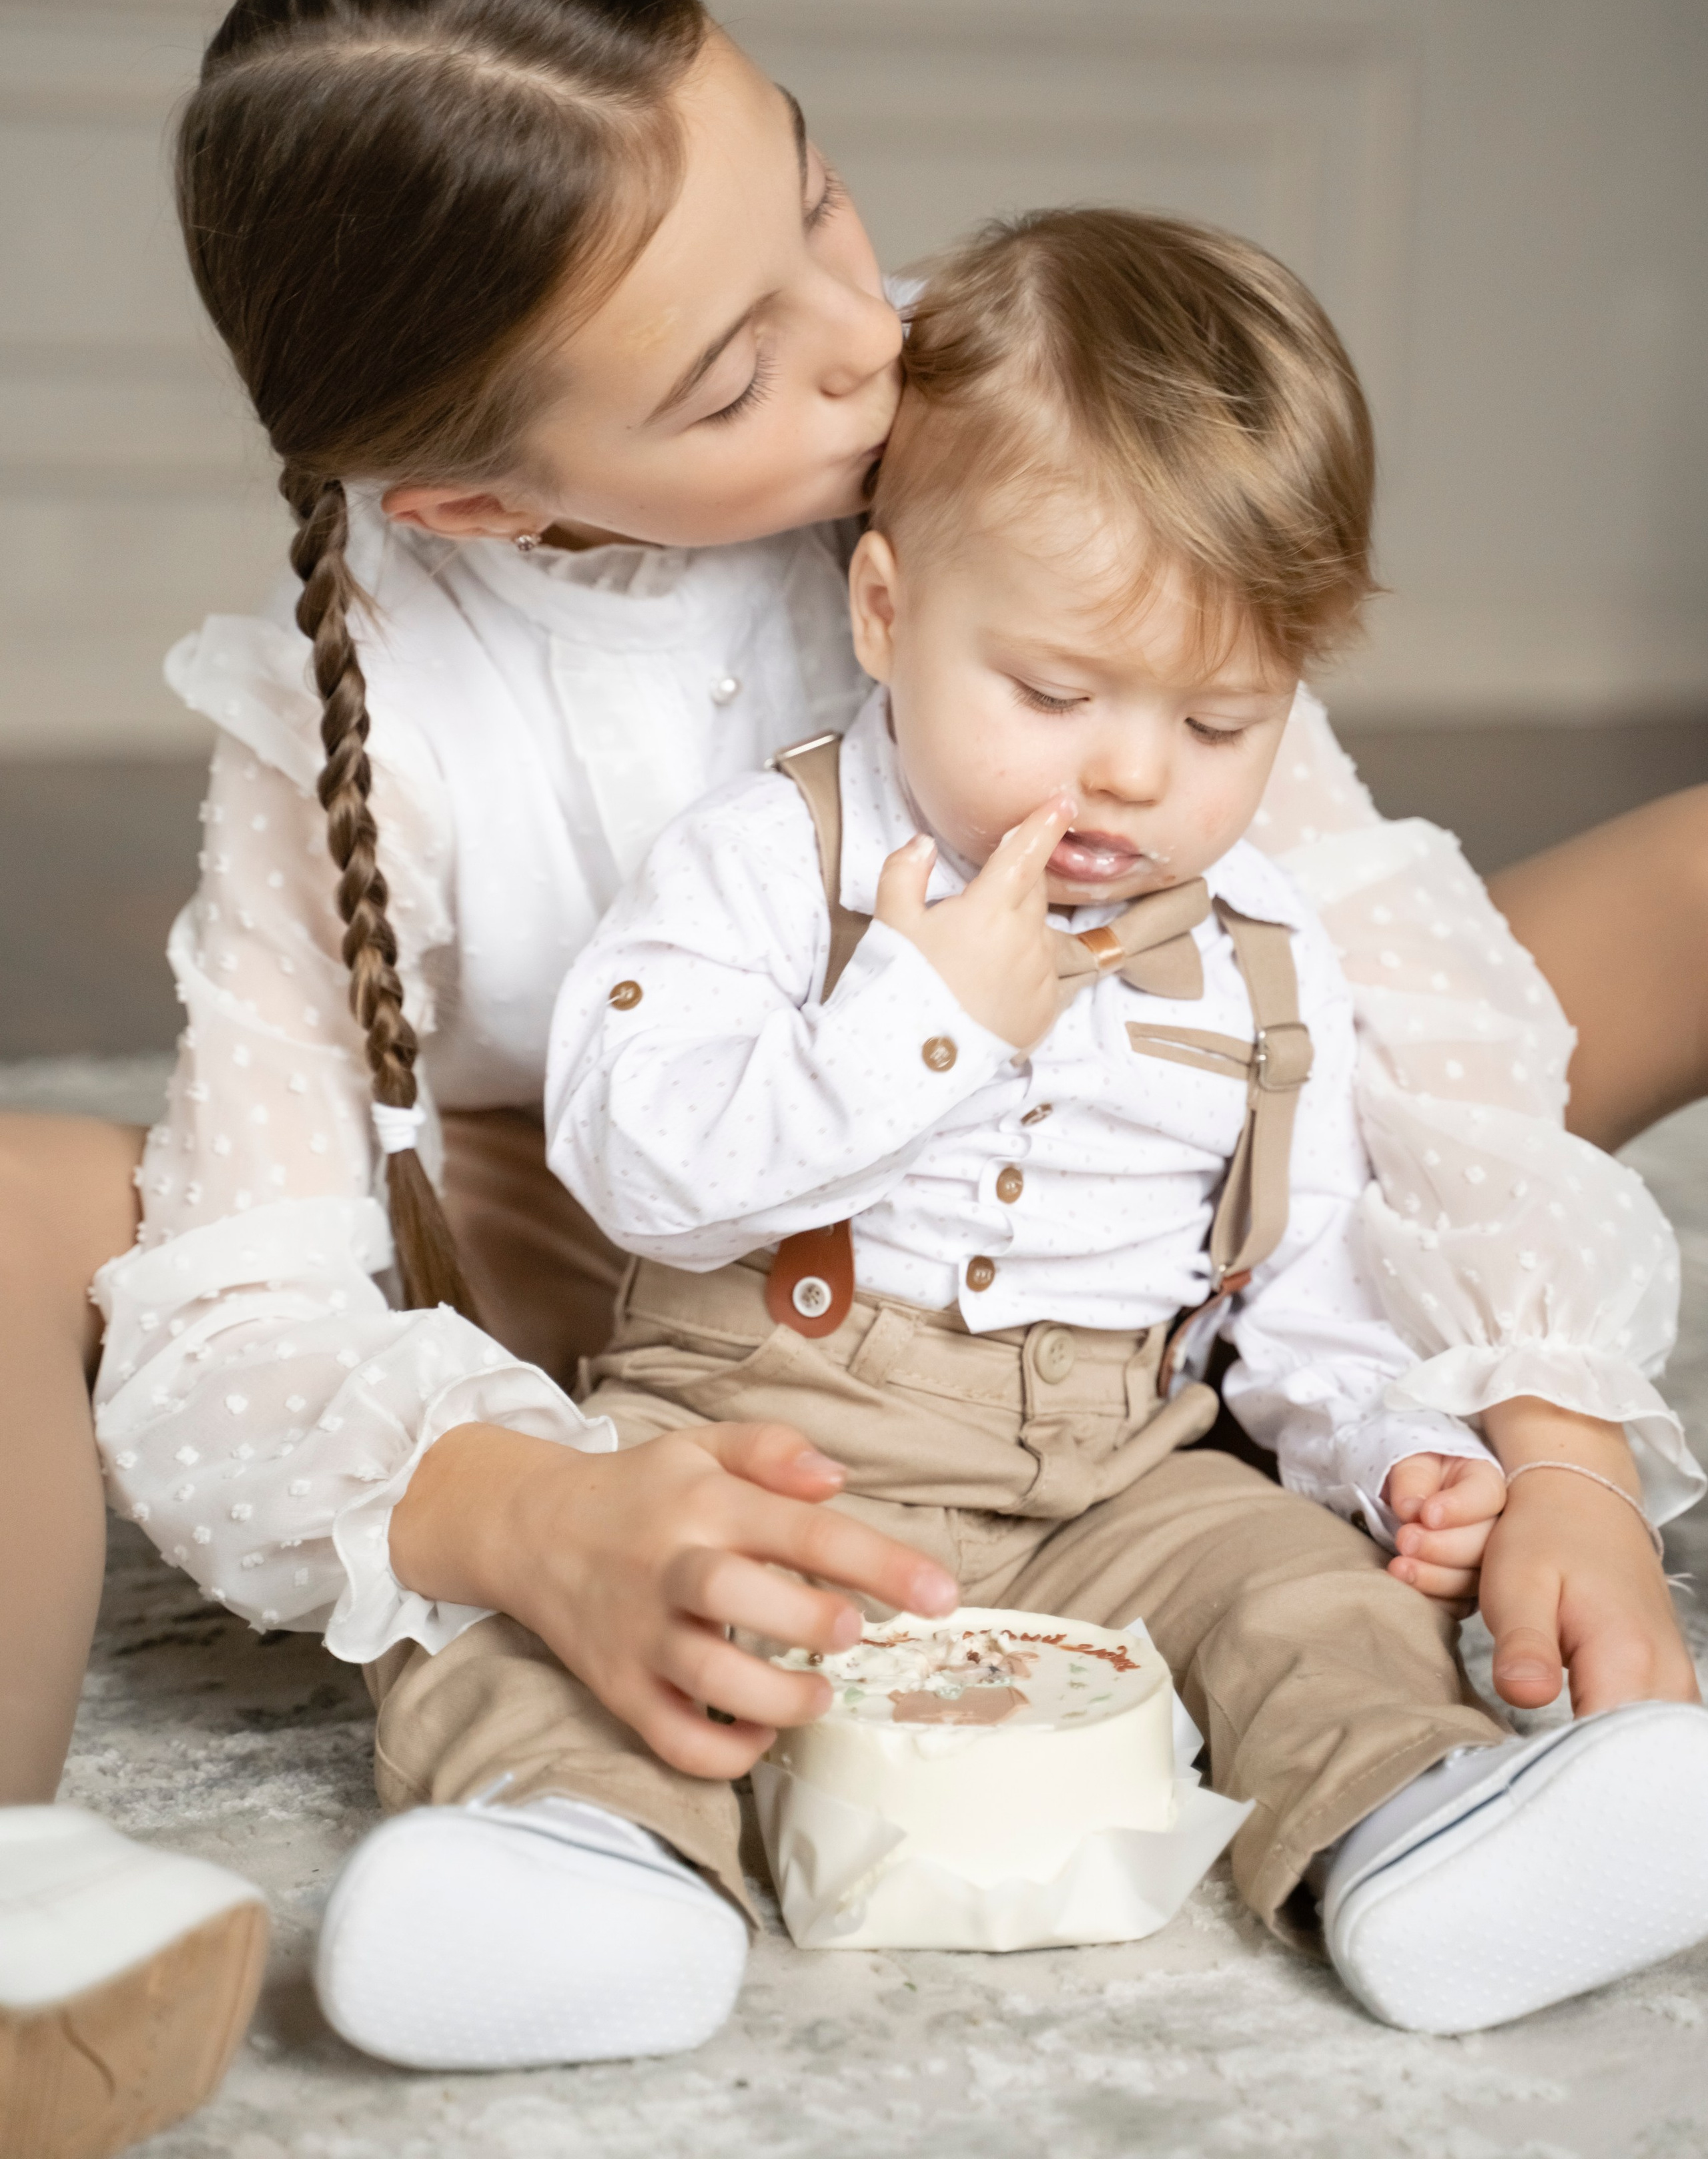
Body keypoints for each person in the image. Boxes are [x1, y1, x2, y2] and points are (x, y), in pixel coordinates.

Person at [0, 0, 1699, 2126]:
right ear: (474, 496)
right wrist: (534, 1514)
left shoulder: (985, 407)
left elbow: (1369, 937)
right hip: (637, 1290)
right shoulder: (374, 713)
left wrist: (1551, 1450)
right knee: (29, 1200)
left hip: (1138, 1153)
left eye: (814, 193)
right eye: (733, 374)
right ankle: (43, 1905)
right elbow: (246, 1299)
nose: (859, 341)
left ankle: (1447, 1811)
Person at [461, 205, 1696, 2052]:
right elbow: (641, 1158)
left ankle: (1411, 1828)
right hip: (767, 1439)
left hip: (1115, 1464)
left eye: (1220, 718)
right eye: (1052, 694)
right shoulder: (765, 862)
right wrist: (933, 1022)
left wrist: (1396, 1450)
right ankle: (582, 1868)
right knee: (584, 1628)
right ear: (885, 612)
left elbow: (1308, 1271)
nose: (1131, 773)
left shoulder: (1266, 948)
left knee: (1300, 1591)